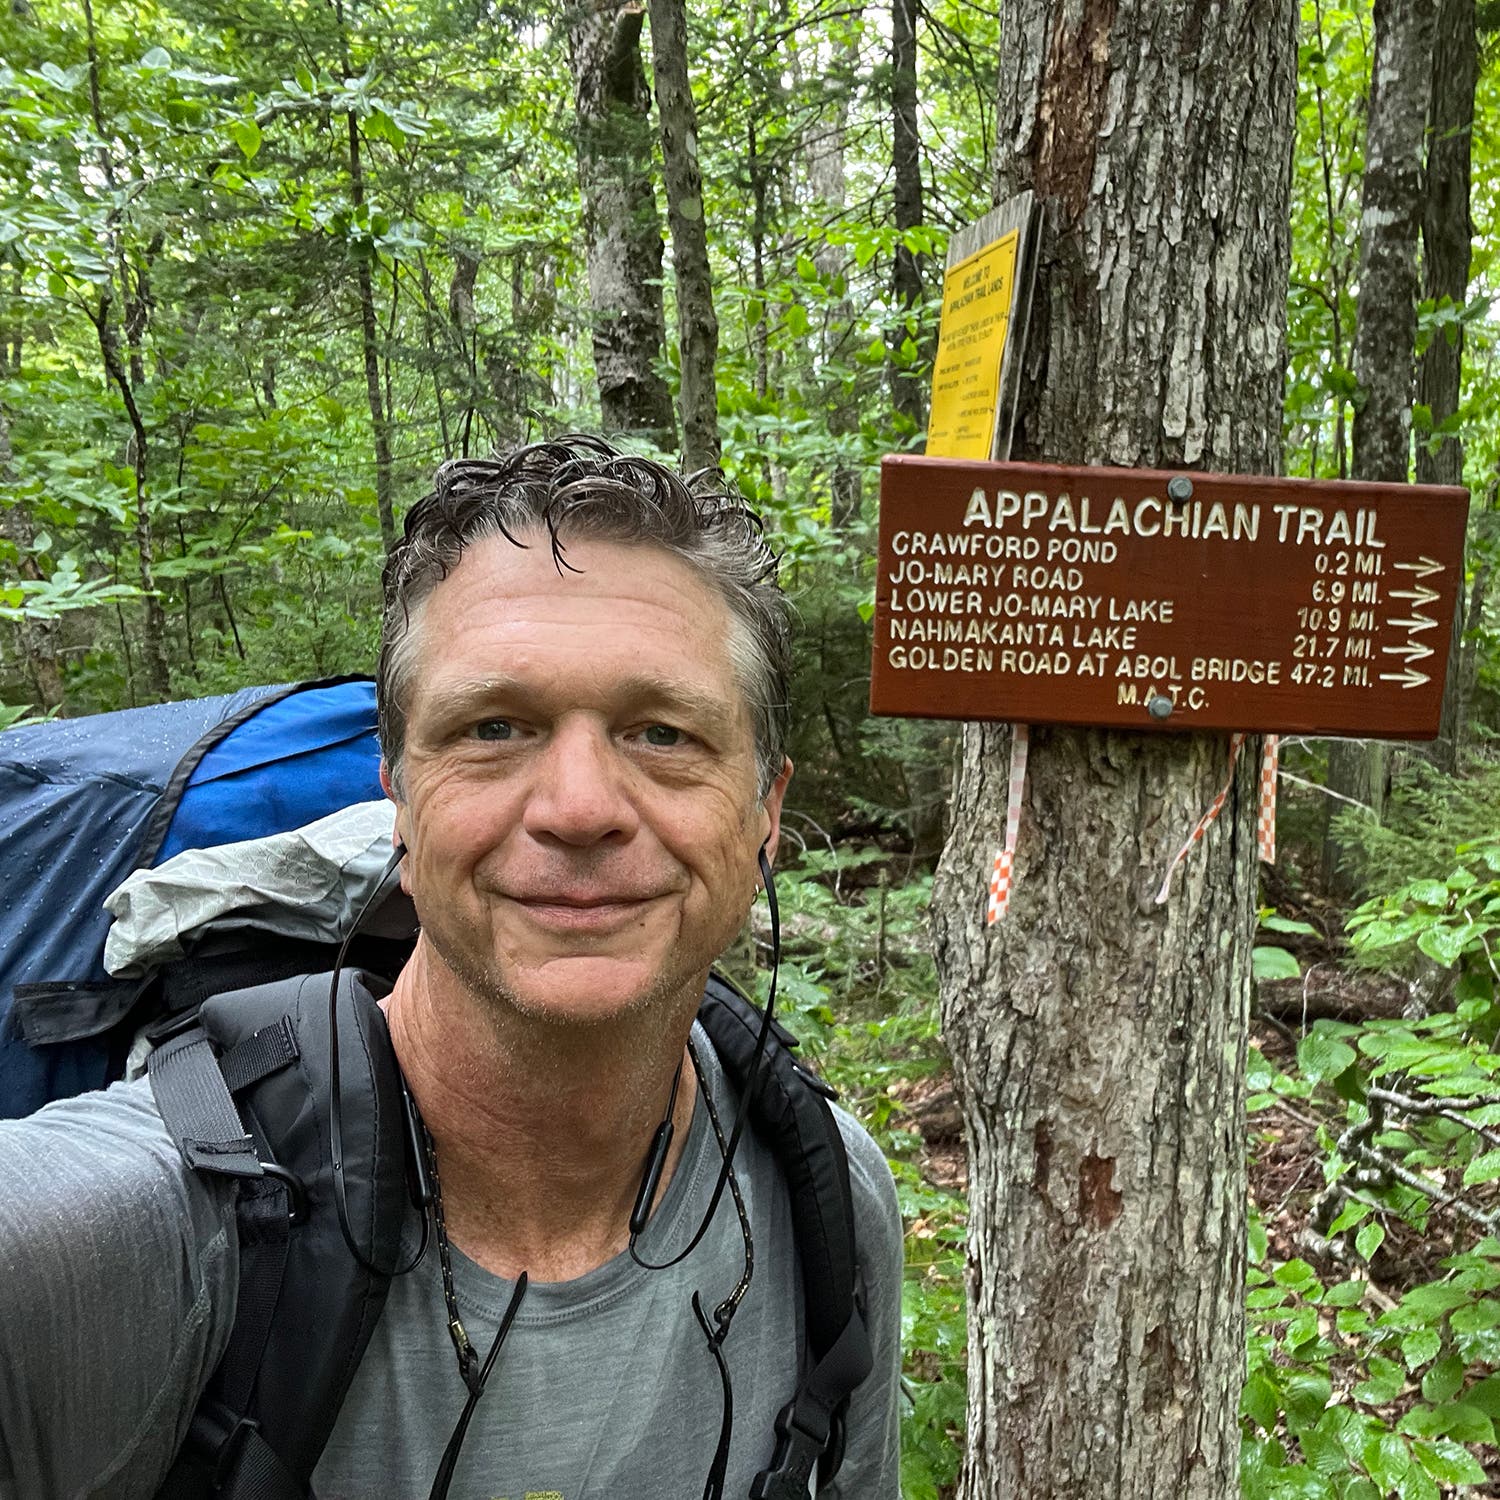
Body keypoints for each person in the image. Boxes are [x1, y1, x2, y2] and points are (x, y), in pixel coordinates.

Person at [0, 435, 904, 1500]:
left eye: (662, 733)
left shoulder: (826, 1202)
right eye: (494, 727)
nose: (578, 808)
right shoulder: (119, 1247)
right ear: (399, 800)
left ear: (764, 811)